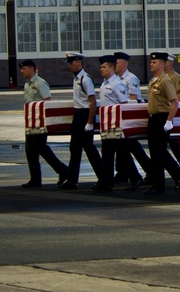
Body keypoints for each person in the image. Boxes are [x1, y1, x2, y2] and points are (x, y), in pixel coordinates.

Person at [20, 59, 67, 188]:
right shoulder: (27, 84)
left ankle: (63, 170)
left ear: (31, 68)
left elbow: (47, 101)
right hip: (31, 122)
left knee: (41, 148)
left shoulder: (40, 83)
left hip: (40, 123)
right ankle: (35, 179)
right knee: (30, 151)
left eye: (24, 68)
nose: (21, 71)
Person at [60, 52, 104, 189]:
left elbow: (92, 102)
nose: (69, 66)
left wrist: (90, 122)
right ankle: (72, 180)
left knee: (89, 149)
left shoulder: (85, 79)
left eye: (71, 63)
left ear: (79, 62)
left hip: (84, 115)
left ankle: (103, 178)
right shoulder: (77, 78)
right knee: (75, 148)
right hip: (78, 114)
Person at [144, 52, 180, 195]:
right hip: (153, 119)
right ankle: (167, 178)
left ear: (162, 64)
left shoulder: (165, 81)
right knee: (155, 153)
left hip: (162, 119)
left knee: (158, 153)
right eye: (151, 62)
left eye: (154, 62)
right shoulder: (153, 80)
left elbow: (174, 102)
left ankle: (159, 185)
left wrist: (168, 121)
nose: (151, 64)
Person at [92, 55, 129, 193]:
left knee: (110, 155)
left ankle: (106, 183)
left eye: (104, 67)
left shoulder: (117, 84)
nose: (101, 69)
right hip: (106, 125)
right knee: (112, 154)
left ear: (112, 68)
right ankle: (107, 182)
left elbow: (124, 104)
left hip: (115, 126)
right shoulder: (105, 83)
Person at [115, 51, 150, 190]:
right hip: (122, 116)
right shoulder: (117, 78)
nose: (115, 65)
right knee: (123, 145)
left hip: (130, 116)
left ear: (124, 64)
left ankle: (148, 170)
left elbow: (133, 98)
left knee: (131, 145)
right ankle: (123, 173)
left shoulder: (131, 79)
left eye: (117, 63)